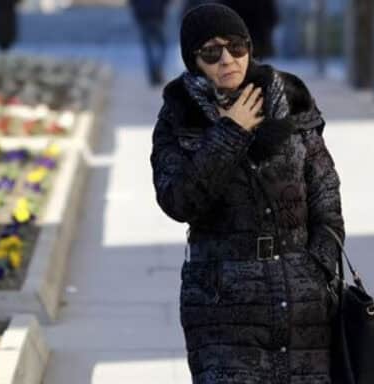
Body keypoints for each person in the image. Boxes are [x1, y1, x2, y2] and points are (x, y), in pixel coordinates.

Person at [150, 5, 343, 383]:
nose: (227, 59)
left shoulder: (290, 97)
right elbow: (178, 200)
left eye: (236, 46)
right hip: (221, 303)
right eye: (211, 52)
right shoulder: (180, 113)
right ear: (193, 60)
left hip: (301, 300)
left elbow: (324, 190)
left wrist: (319, 266)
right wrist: (230, 133)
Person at [128, 0, 171, 87]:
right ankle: (157, 69)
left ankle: (153, 73)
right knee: (162, 46)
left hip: (143, 16)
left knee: (149, 49)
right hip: (157, 15)